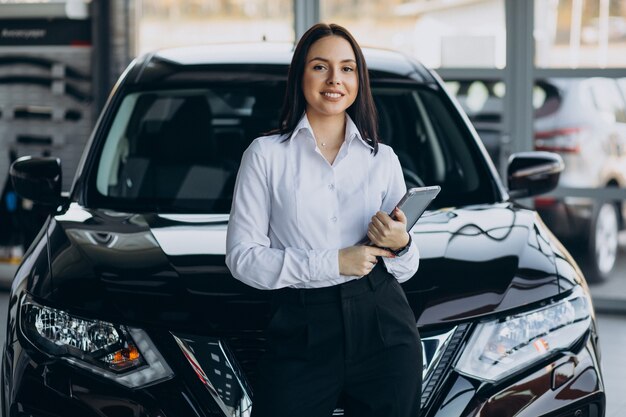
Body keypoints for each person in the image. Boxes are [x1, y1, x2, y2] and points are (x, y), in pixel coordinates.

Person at [226, 23, 422, 417]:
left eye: (347, 69)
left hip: (383, 321)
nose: (335, 79)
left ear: (359, 80)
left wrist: (401, 244)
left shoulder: (382, 159)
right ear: (300, 74)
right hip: (301, 327)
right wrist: (333, 262)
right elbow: (243, 258)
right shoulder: (266, 155)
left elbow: (406, 269)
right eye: (320, 67)